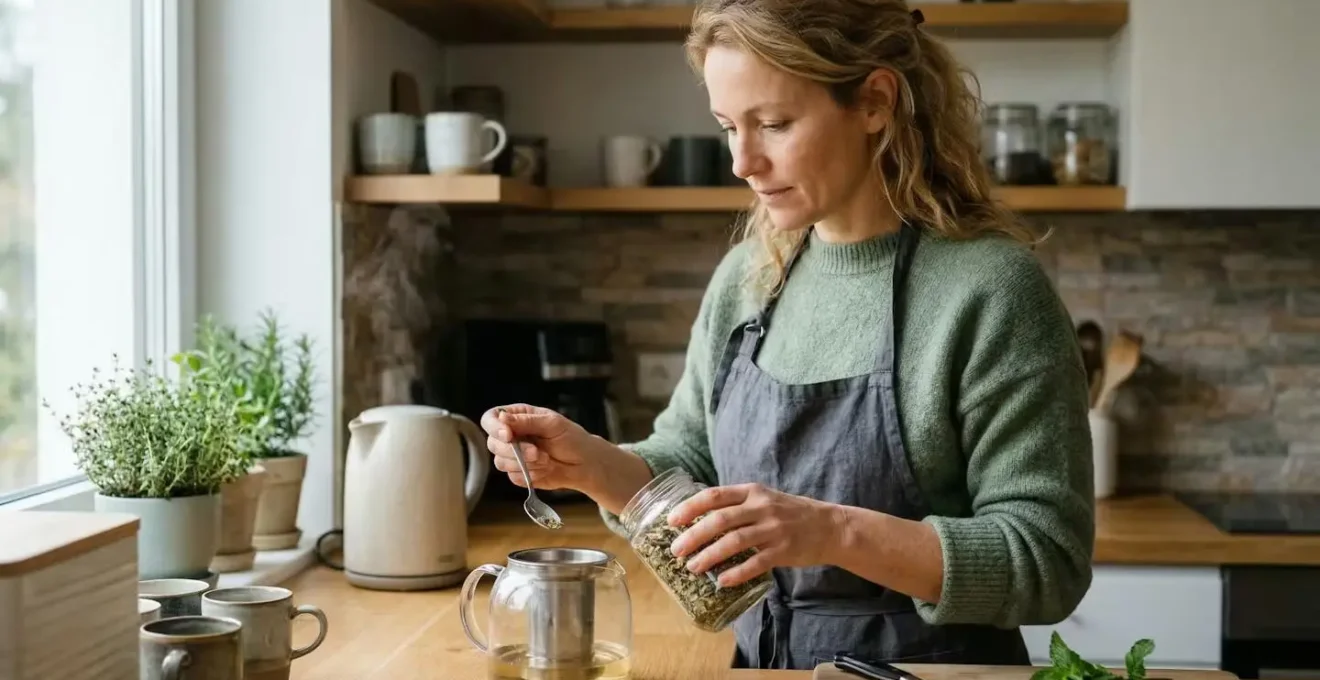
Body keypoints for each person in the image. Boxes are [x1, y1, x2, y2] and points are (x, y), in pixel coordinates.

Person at [479, 0, 1095, 670]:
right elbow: (688, 466)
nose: (742, 162)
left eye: (773, 124)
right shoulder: (749, 278)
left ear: (874, 102)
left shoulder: (991, 291)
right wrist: (591, 466)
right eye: (727, 127)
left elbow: (1047, 560)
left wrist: (832, 530)